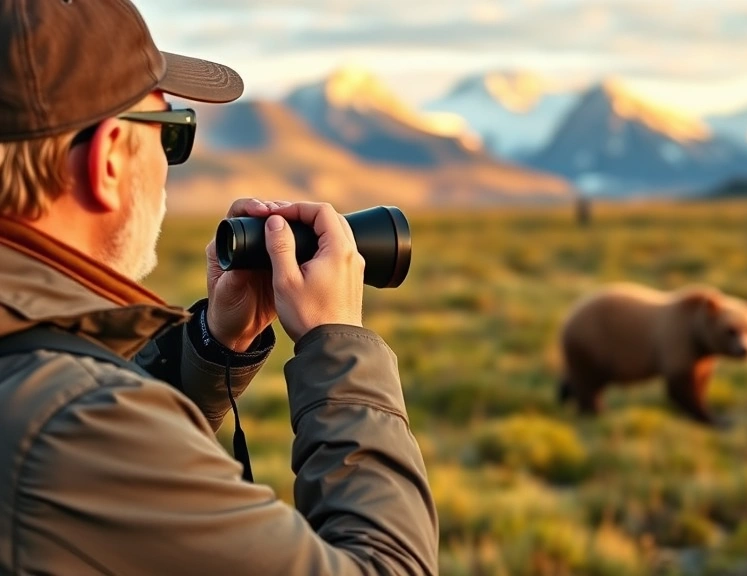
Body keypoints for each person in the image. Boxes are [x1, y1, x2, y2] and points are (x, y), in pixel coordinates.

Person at [0, 1, 438, 574]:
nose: (167, 166)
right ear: (108, 159)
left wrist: (211, 348)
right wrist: (338, 342)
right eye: (172, 135)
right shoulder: (71, 423)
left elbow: (121, 506)